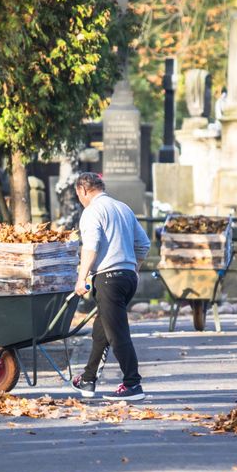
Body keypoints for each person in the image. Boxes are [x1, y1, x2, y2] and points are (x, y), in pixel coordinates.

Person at [70, 171, 151, 401]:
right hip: (127, 277)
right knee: (102, 331)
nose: (80, 200)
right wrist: (134, 269)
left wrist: (81, 277)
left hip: (108, 278)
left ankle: (132, 384)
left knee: (117, 333)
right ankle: (88, 379)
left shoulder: (91, 211)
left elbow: (91, 246)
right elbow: (143, 244)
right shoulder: (123, 208)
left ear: (83, 190)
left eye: (79, 195)